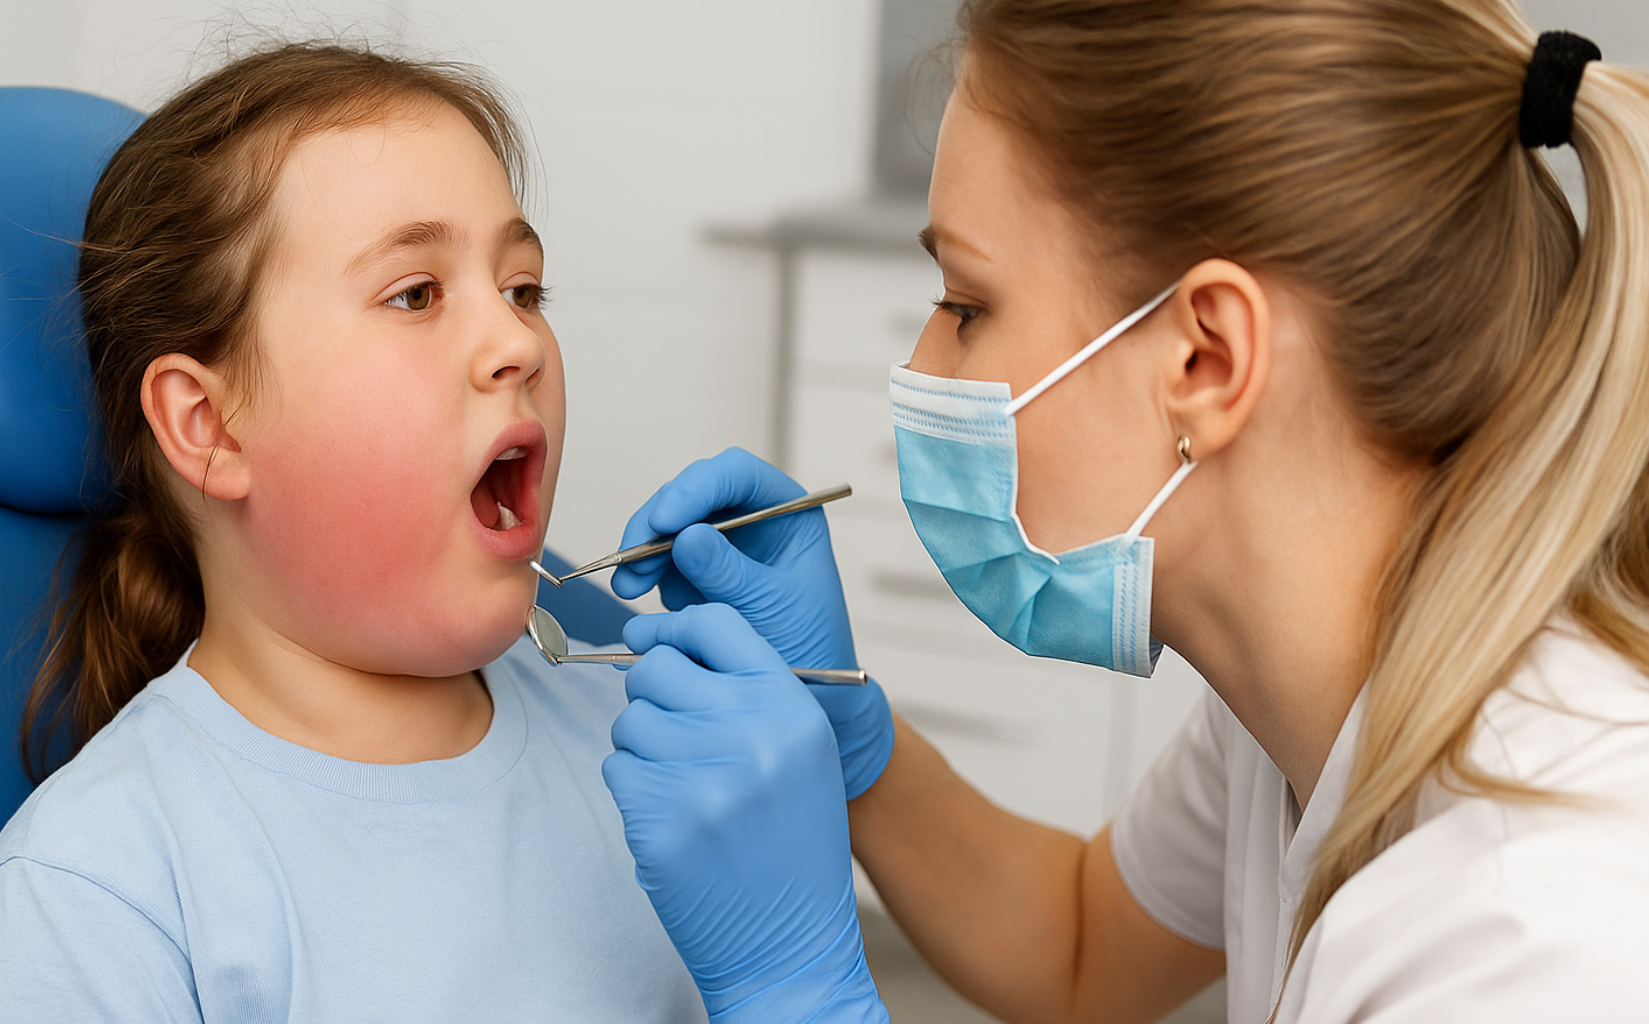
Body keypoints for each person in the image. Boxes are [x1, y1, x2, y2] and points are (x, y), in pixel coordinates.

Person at [600, 2, 1649, 1022]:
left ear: (1207, 358)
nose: (922, 366)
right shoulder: (1327, 697)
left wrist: (800, 993)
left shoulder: (1535, 933)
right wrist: (848, 733)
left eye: (967, 306)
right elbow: (1078, 947)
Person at [0, 42, 704, 1022]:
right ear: (208, 425)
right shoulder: (95, 902)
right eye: (415, 293)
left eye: (522, 289)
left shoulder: (635, 739)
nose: (519, 342)